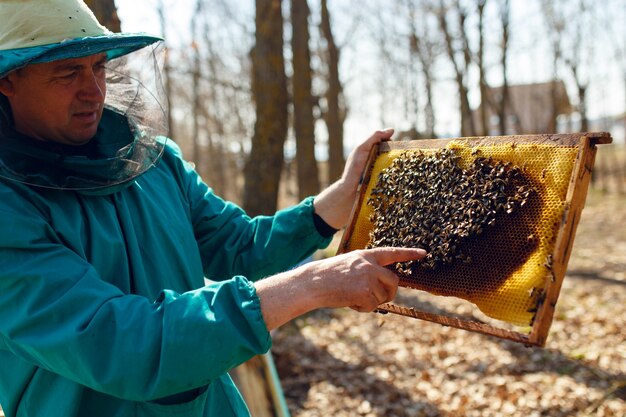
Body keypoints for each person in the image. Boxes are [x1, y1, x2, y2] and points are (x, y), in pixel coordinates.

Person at [0, 1, 426, 416]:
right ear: (8, 80)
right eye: (67, 72)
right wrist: (310, 285)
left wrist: (337, 201)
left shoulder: (154, 162)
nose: (93, 90)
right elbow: (120, 344)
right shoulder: (10, 210)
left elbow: (240, 246)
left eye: (98, 66)